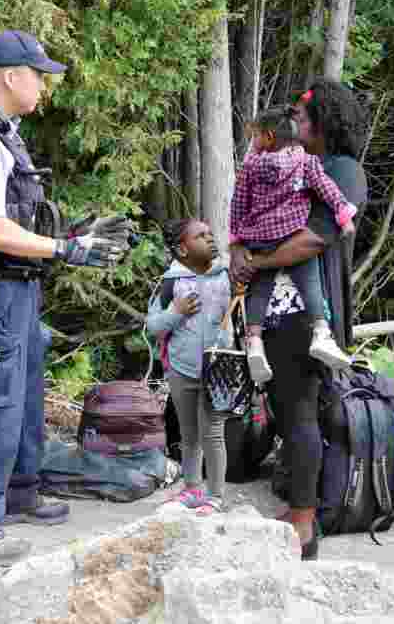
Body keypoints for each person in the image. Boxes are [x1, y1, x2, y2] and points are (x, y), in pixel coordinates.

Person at [0, 29, 131, 566]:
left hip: (16, 289)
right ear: (11, 77)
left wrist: (80, 234)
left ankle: (18, 493)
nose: (45, 85)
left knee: (22, 398)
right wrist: (67, 250)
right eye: (39, 75)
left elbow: (20, 217)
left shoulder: (5, 134)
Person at [230, 78, 369, 561]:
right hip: (273, 310)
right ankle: (299, 510)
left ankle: (305, 526)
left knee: (304, 412)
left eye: (304, 117)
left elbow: (316, 238)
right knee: (290, 412)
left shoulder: (344, 171)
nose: (296, 123)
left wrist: (260, 262)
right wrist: (237, 250)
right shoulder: (283, 162)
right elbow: (249, 214)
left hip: (308, 313)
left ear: (325, 122)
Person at [230, 106, 356, 385]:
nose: (253, 141)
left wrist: (236, 240)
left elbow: (238, 204)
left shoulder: (250, 166)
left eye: (255, 136)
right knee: (310, 282)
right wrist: (344, 216)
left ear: (269, 136)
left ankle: (254, 341)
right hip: (291, 234)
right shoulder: (306, 162)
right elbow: (328, 189)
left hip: (259, 239)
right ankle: (321, 332)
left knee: (259, 288)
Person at [147, 219, 232, 515]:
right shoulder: (171, 282)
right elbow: (153, 326)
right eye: (200, 236)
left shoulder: (228, 277)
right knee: (189, 433)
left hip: (218, 370)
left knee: (213, 432)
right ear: (182, 249)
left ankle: (216, 496)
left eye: (210, 234)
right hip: (181, 369)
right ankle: (192, 488)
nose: (210, 239)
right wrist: (175, 311)